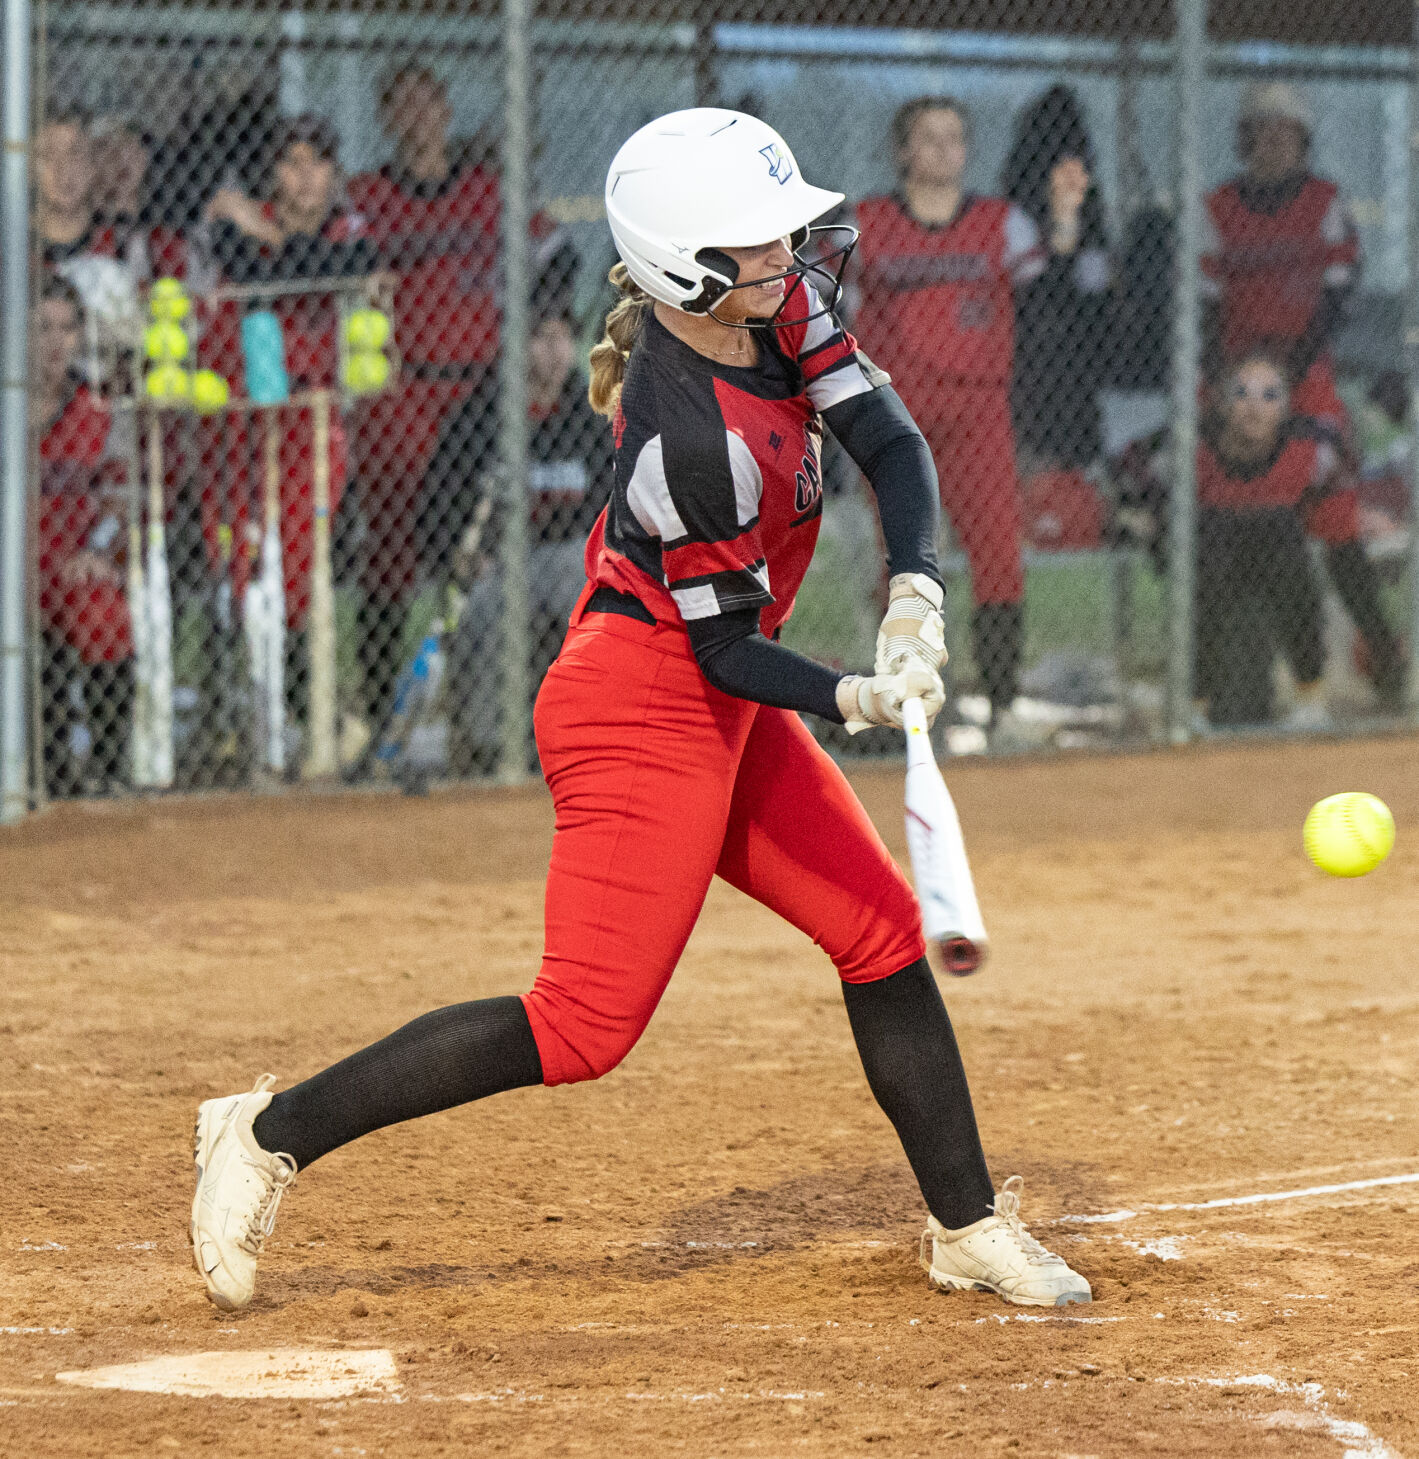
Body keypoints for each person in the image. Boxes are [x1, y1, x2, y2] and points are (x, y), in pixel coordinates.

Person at [189, 108, 1090, 1316]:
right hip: (640, 704)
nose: (792, 258)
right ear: (687, 270)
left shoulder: (775, 307)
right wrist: (851, 692)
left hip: (713, 687)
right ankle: (265, 1131)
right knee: (582, 1023)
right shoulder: (687, 434)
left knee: (879, 931)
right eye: (760, 245)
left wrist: (917, 589)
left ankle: (967, 1227)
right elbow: (723, 649)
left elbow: (889, 435)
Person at [346, 66, 577, 755]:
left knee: (492, 549)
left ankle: (510, 717)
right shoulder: (367, 197)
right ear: (387, 117)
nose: (419, 117)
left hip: (480, 392)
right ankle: (380, 711)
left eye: (429, 102)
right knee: (390, 556)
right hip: (399, 392)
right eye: (402, 104)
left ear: (447, 111)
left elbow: (558, 253)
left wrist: (532, 326)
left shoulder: (487, 194)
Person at [855, 99, 1047, 747]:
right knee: (904, 563)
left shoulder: (1001, 223)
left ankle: (1002, 700)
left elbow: (1059, 288)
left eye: (954, 138)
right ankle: (907, 704)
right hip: (894, 418)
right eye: (927, 139)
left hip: (976, 410)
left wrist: (1070, 220)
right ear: (902, 150)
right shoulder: (866, 224)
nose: (942, 150)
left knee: (996, 550)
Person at [201, 114, 376, 755]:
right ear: (271, 172)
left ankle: (310, 714)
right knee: (238, 562)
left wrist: (262, 232)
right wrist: (253, 236)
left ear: (333, 173)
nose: (304, 175)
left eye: (317, 161)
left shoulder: (347, 228)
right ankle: (241, 715)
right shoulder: (235, 226)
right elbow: (242, 266)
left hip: (315, 419)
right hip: (245, 421)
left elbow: (324, 264)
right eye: (290, 162)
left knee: (301, 570)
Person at [1114, 349, 1404, 728]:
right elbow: (1130, 476)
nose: (1254, 407)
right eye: (1242, 394)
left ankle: (1310, 698)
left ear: (1286, 408)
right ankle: (1195, 707)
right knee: (1211, 563)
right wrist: (1154, 526)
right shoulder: (1191, 443)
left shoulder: (1307, 448)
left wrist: (1357, 518)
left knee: (1282, 537)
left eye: (1270, 396)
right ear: (1220, 402)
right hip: (1212, 543)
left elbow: (1336, 491)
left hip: (1278, 547)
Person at [423, 306, 615, 775]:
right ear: (518, 345)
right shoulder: (481, 414)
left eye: (562, 339)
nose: (553, 352)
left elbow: (614, 504)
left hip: (569, 556)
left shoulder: (587, 412)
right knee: (484, 608)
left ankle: (591, 738)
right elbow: (439, 498)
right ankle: (488, 747)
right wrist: (460, 557)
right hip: (497, 559)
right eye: (541, 338)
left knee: (588, 596)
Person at [1202, 83, 1358, 437]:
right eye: (1264, 129)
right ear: (1246, 141)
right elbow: (1204, 298)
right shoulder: (1217, 206)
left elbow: (1339, 290)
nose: (1275, 141)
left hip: (1304, 358)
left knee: (1323, 441)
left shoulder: (1325, 201)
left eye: (1286, 131)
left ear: (1303, 142)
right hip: (1233, 359)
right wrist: (1222, 370)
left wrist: (1295, 364)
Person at [34, 276, 134, 795]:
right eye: (41, 328)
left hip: (66, 568)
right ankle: (43, 766)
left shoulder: (95, 409)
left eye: (66, 328)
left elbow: (120, 498)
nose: (55, 341)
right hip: (15, 573)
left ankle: (107, 766)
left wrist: (98, 550)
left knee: (101, 609)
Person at [1002, 84, 1113, 477]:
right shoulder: (1020, 197)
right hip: (1033, 330)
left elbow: (1095, 278)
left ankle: (1070, 491)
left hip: (1071, 337)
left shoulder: (1087, 199)